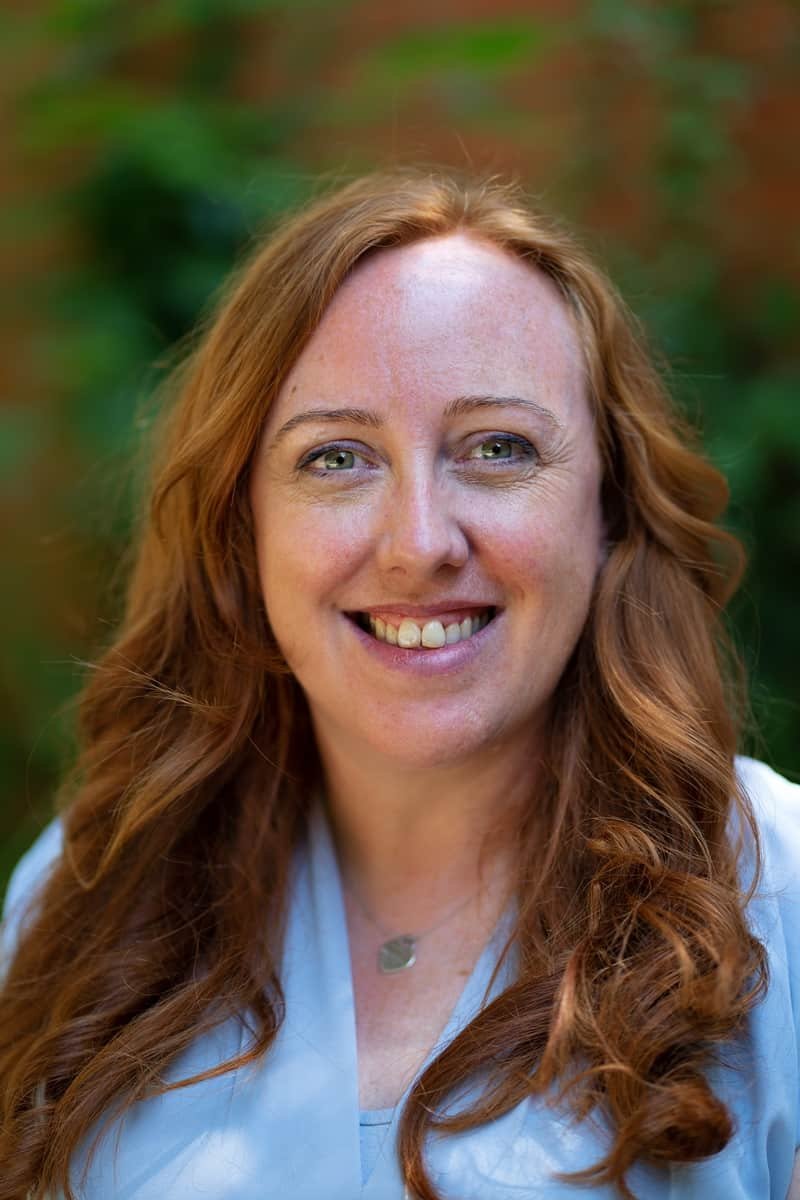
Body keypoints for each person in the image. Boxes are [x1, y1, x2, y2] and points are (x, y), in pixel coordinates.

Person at [0, 169, 797, 1200]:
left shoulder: (776, 893)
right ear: (242, 530)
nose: (419, 544)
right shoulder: (86, 891)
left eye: (498, 448)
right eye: (336, 458)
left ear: (608, 510)